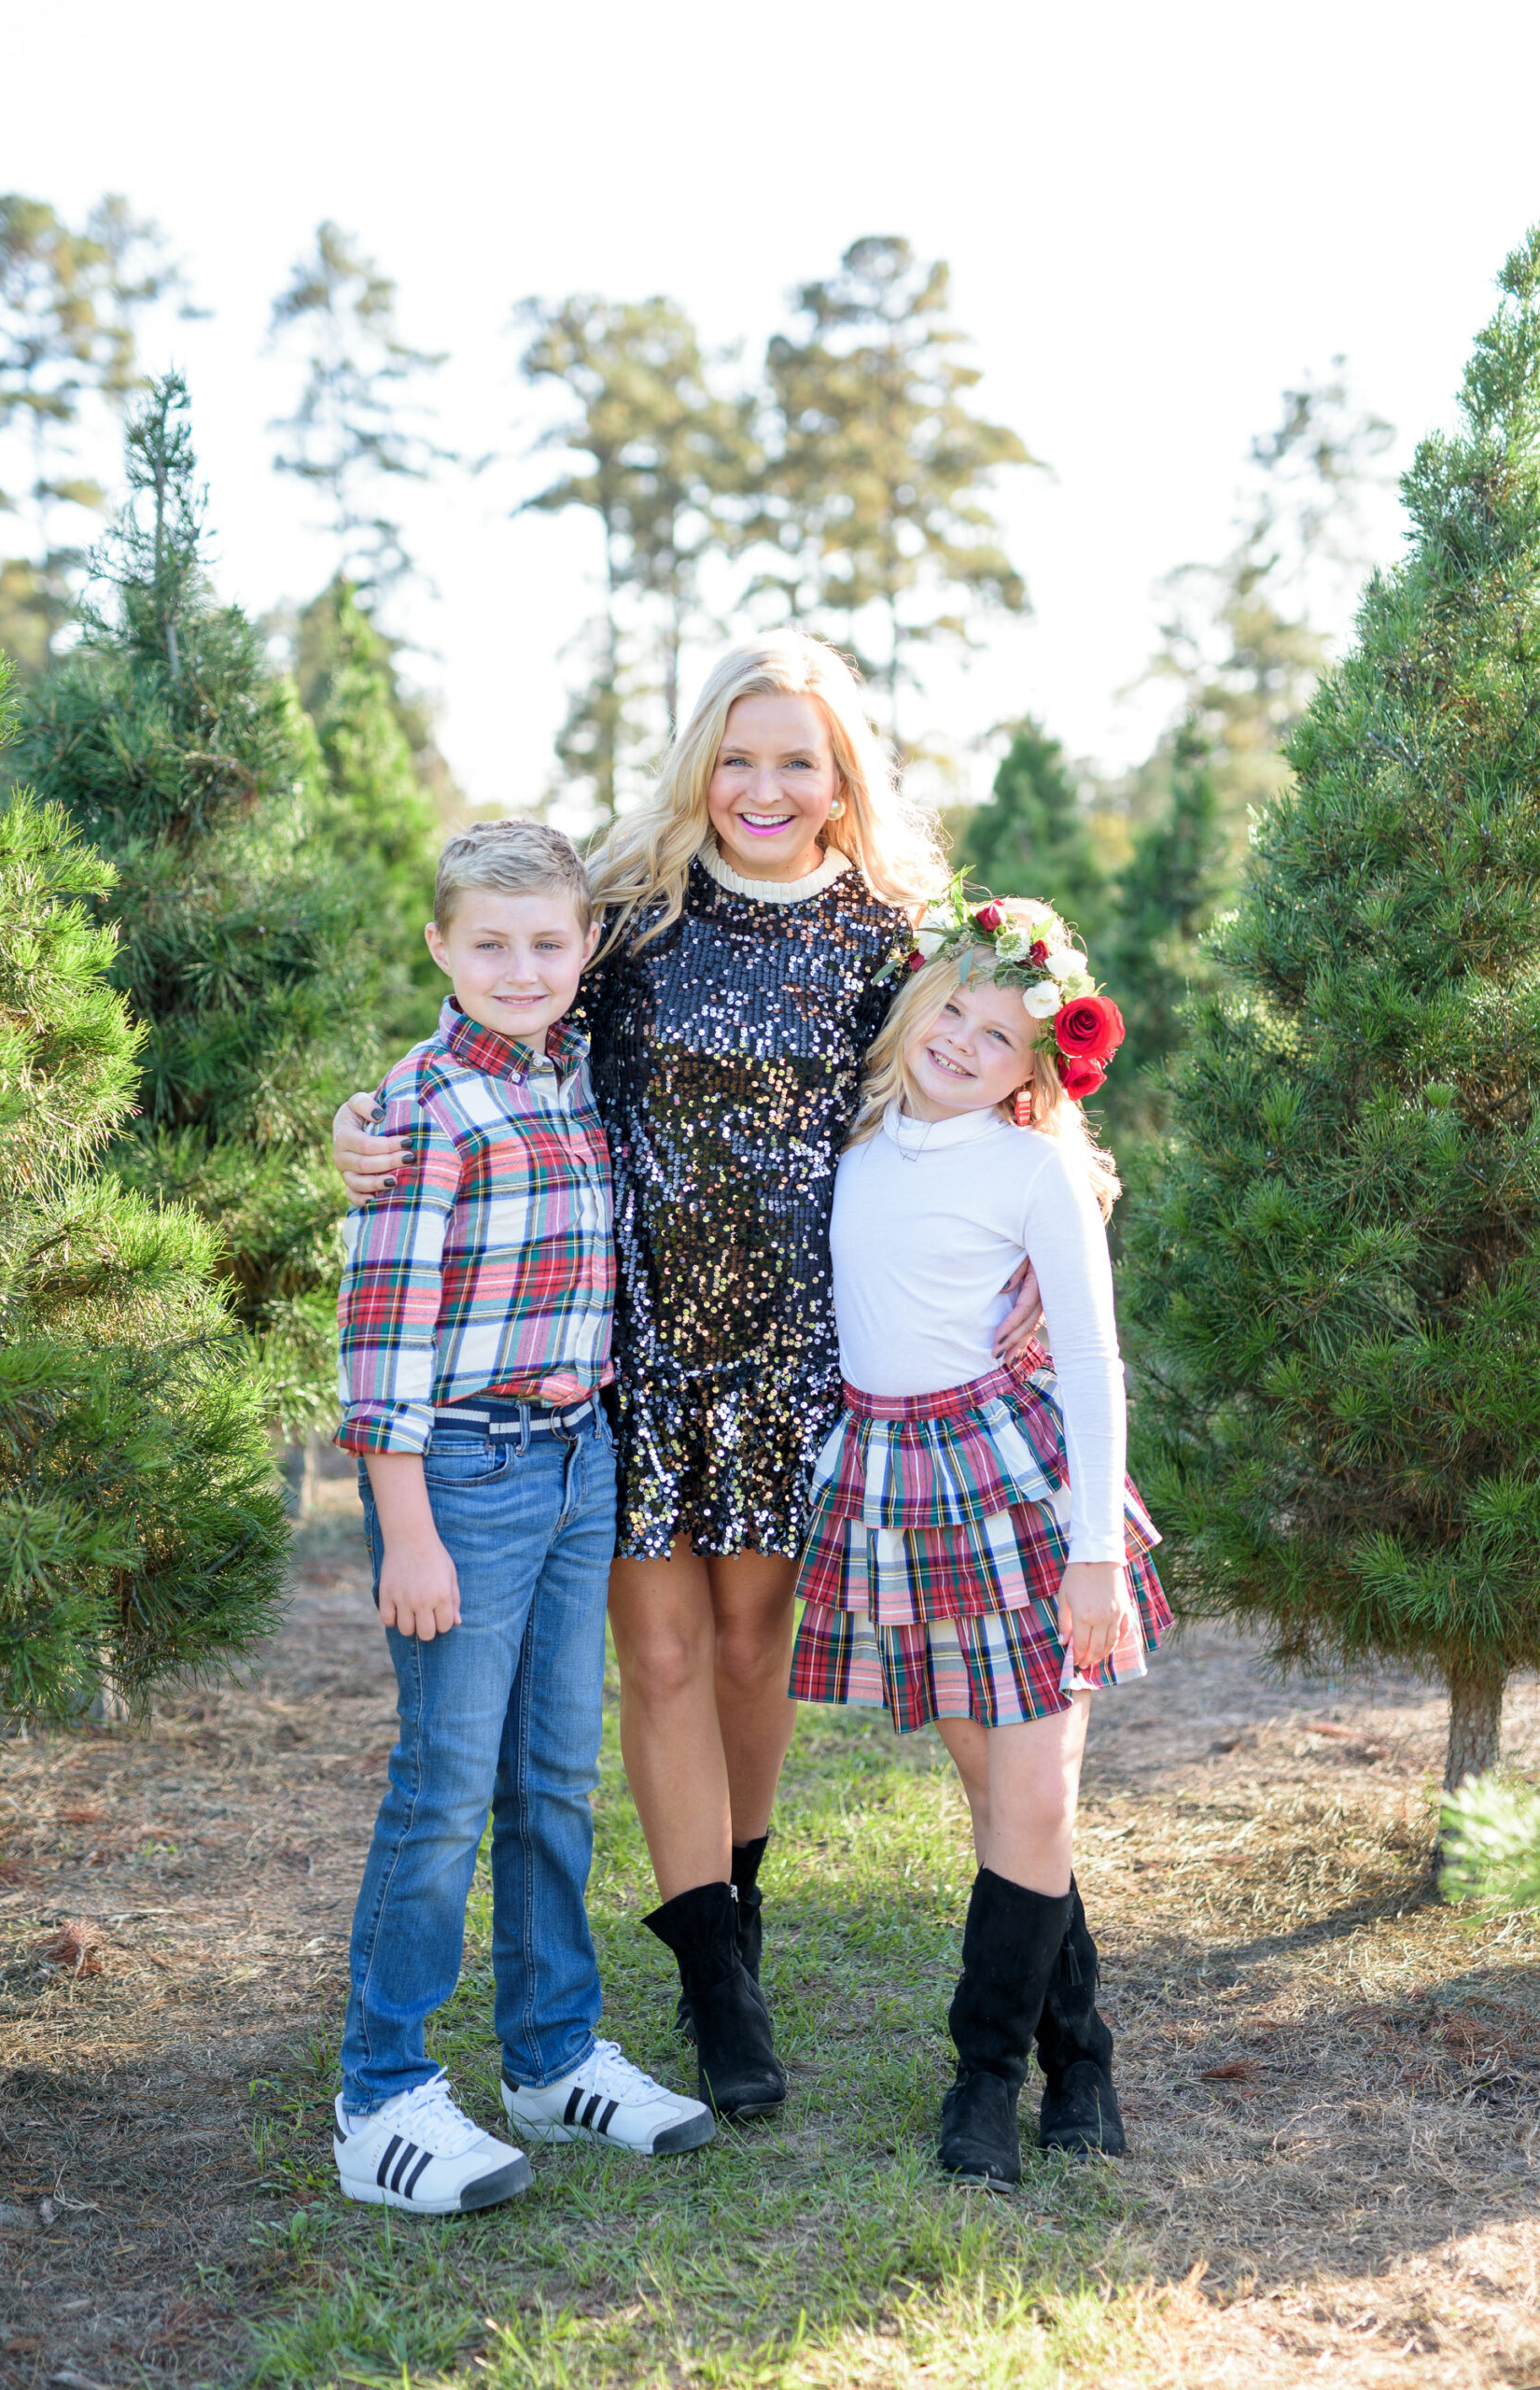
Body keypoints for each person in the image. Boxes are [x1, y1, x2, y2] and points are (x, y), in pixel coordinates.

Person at [336, 635, 1043, 2119]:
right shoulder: (632, 916)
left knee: (745, 1653)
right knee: (653, 1661)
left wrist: (1058, 1219)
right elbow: (498, 1022)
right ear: (698, 766)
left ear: (841, 776)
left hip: (800, 1351)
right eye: (737, 757)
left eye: (798, 760)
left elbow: (984, 1090)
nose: (764, 788)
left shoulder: (888, 936)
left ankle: (747, 1913)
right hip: (639, 1348)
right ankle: (713, 1984)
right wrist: (365, 1122)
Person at [331, 821, 713, 2219]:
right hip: (464, 1473)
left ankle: (552, 2056)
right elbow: (380, 1339)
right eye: (486, 942)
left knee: (553, 1775)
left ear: (584, 949)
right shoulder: (421, 1110)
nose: (518, 966)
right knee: (441, 1787)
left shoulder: (577, 1078)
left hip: (576, 1459)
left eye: (546, 941)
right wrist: (409, 1528)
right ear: (437, 945)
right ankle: (380, 2096)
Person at [789, 888, 1172, 2190]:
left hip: (1019, 1484)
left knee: (1035, 1793)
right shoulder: (847, 1147)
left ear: (1031, 1073)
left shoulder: (1034, 1168)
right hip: (899, 1479)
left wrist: (1093, 1553)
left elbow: (1091, 1359)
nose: (960, 1040)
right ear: (912, 1007)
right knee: (1002, 1800)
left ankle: (983, 2084)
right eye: (949, 1009)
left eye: (998, 1036)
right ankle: (1085, 2051)